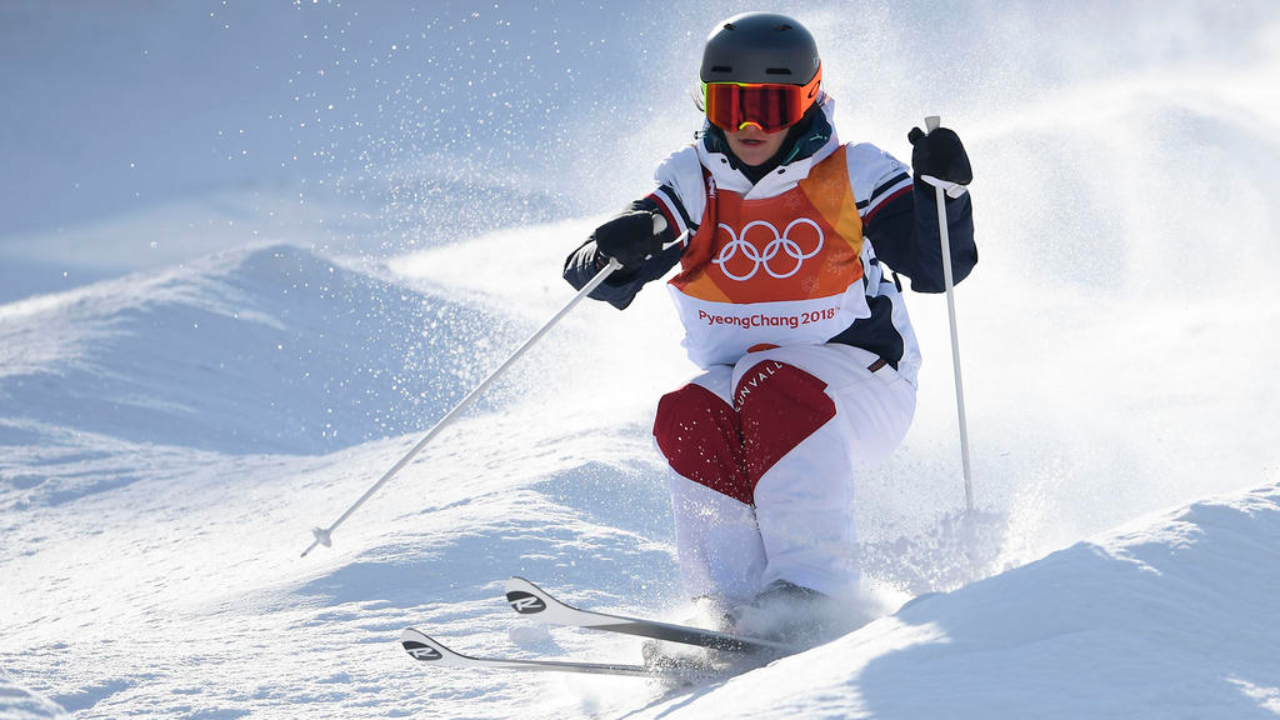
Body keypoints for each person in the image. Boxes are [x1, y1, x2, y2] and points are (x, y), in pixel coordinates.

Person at [563, 11, 976, 641]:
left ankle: (813, 593)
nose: (749, 127)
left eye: (771, 106)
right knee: (689, 409)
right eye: (731, 105)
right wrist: (609, 250)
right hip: (753, 393)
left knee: (767, 377)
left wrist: (944, 196)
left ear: (807, 100)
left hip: (863, 386)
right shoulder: (694, 182)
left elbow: (936, 266)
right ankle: (734, 606)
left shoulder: (853, 172)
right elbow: (606, 267)